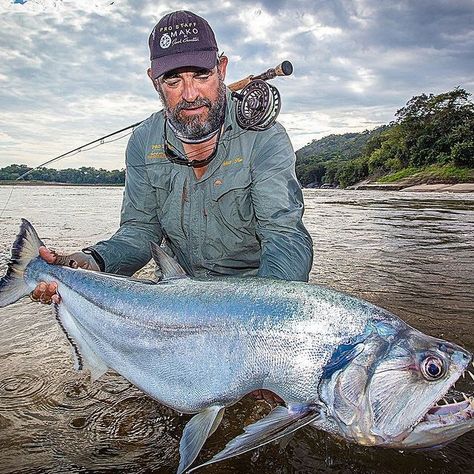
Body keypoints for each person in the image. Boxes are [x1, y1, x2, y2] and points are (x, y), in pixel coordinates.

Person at [31, 10, 313, 305]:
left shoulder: (267, 138)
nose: (190, 94)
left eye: (202, 75)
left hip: (251, 295)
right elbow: (139, 232)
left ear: (222, 69)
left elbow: (284, 236)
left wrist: (266, 309)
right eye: (173, 80)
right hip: (175, 294)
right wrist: (91, 261)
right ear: (154, 81)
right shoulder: (142, 141)